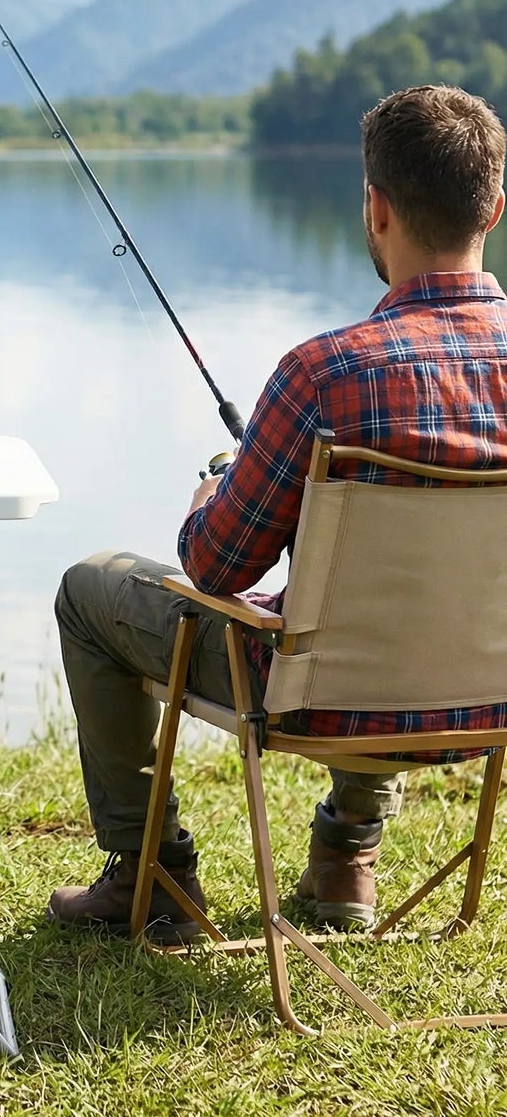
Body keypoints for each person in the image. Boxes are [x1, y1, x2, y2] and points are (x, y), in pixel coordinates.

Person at [48, 83, 507, 943]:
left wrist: (211, 495)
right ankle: (343, 859)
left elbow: (217, 568)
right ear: (494, 205)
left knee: (87, 590)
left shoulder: (324, 374)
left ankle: (151, 878)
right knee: (399, 612)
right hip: (486, 698)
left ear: (375, 208)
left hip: (316, 699)